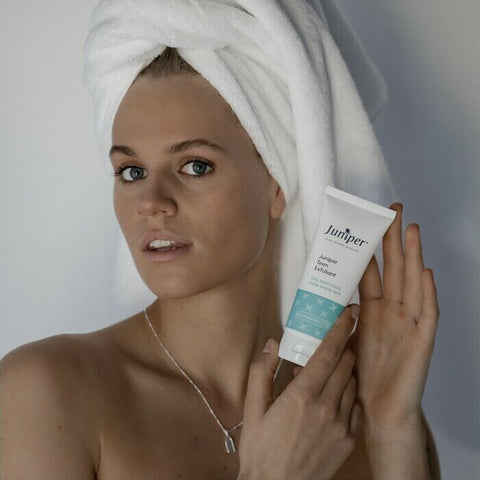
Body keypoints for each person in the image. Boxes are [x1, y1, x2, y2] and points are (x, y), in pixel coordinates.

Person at [0, 1, 441, 479]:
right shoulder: (46, 395)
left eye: (195, 166)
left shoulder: (352, 407)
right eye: (131, 171)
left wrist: (391, 431)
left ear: (277, 184)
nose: (151, 202)